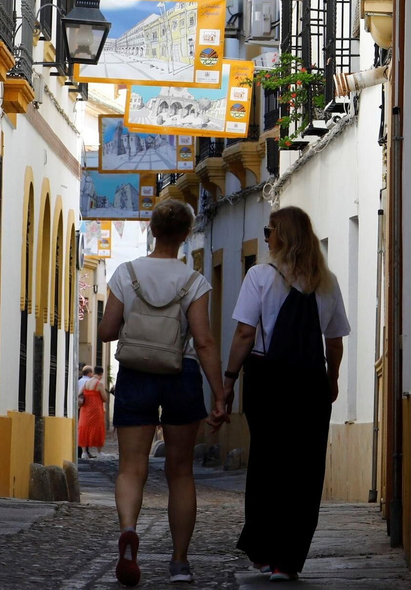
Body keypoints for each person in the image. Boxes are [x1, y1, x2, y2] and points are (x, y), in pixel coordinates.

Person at [97, 200, 228, 586]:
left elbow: (106, 331)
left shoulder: (125, 273)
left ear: (151, 231)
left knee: (130, 467)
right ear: (187, 234)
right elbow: (203, 341)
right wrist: (219, 394)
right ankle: (180, 562)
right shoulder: (194, 282)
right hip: (181, 374)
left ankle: (127, 530)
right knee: (181, 471)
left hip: (136, 373)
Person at [222, 206, 351, 582]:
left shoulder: (260, 276)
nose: (266, 237)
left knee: (268, 462)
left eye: (269, 230)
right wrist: (332, 377)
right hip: (310, 382)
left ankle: (263, 550)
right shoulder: (326, 282)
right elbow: (335, 341)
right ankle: (289, 559)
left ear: (281, 236)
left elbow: (246, 334)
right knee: (305, 468)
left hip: (268, 380)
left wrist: (229, 380)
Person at [78, 365, 107, 459]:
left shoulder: (86, 382)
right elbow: (105, 398)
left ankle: (84, 452)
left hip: (85, 410)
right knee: (97, 428)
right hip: (96, 410)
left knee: (84, 429)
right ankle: (99, 451)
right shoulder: (99, 384)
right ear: (101, 374)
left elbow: (79, 394)